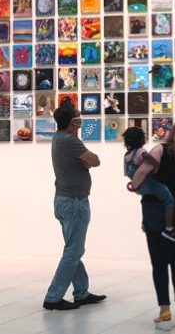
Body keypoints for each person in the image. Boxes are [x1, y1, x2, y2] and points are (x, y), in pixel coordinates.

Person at [130, 115, 175, 330]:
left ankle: (164, 312)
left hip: (155, 209)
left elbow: (142, 172)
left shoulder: (160, 150)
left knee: (159, 262)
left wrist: (134, 187)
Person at [42, 99, 107, 311]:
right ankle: (53, 297)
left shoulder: (58, 138)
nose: (80, 119)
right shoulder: (71, 141)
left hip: (63, 200)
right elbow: (95, 160)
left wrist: (84, 160)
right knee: (73, 250)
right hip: (75, 203)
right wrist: (87, 161)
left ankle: (81, 291)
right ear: (73, 121)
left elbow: (87, 160)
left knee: (73, 249)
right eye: (78, 117)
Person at [122, 126, 175, 242]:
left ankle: (145, 224)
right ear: (142, 140)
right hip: (147, 182)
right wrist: (156, 165)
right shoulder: (140, 152)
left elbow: (127, 173)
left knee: (145, 200)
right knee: (169, 199)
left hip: (139, 185)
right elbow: (148, 157)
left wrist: (135, 185)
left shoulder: (126, 155)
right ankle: (169, 228)